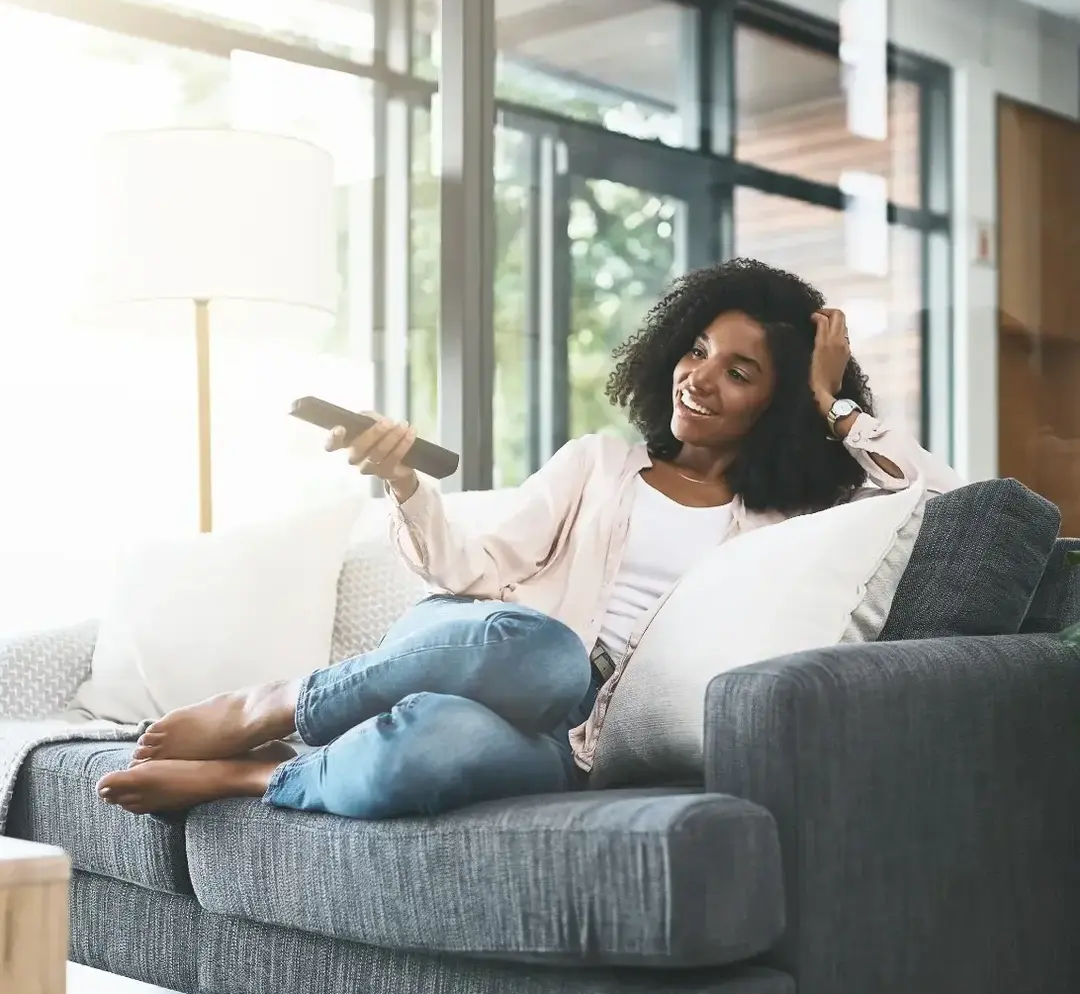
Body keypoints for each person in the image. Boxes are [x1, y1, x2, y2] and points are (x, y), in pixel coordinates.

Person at [97, 259, 961, 818]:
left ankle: (256, 777)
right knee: (546, 654)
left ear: (777, 405)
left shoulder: (791, 522)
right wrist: (403, 479)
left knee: (435, 743)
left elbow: (943, 502)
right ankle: (276, 703)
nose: (698, 378)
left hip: (575, 743)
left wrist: (834, 406)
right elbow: (466, 568)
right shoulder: (599, 464)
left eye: (739, 372)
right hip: (498, 654)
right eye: (695, 350)